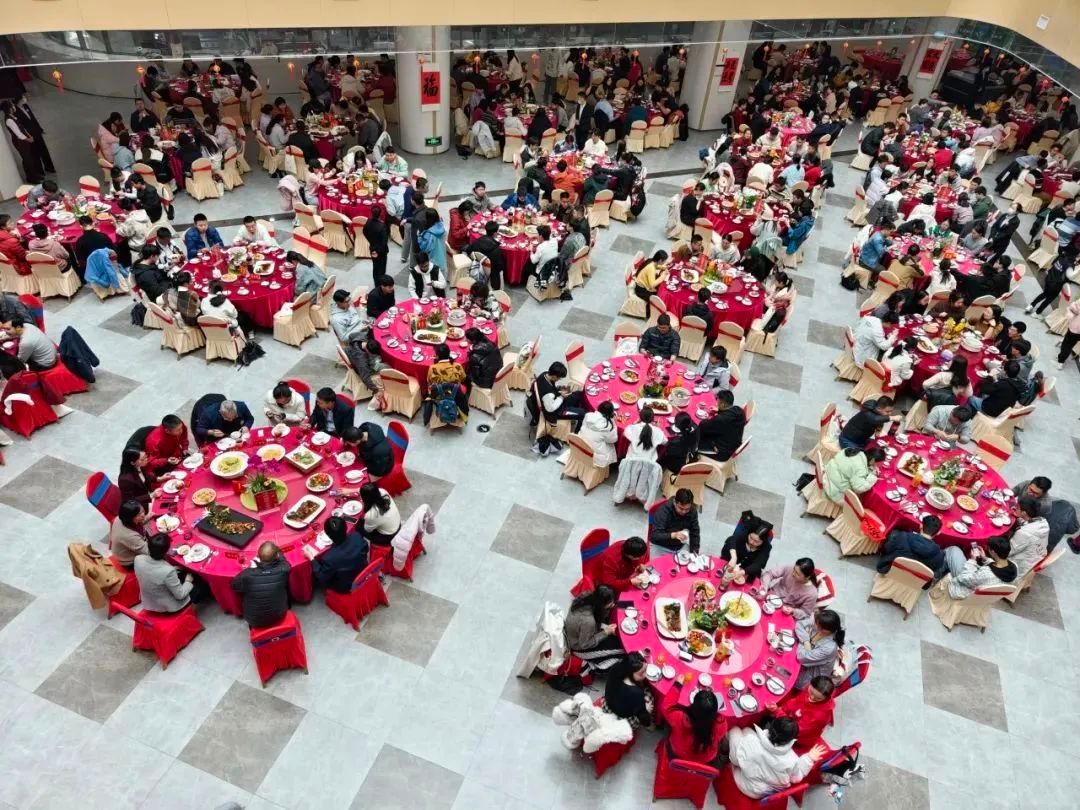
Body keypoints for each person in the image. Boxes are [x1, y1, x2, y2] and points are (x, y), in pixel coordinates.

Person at [725, 718, 827, 799]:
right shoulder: (792, 760)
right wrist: (809, 758)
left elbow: (734, 759)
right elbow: (795, 778)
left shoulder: (751, 741)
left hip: (747, 786)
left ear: (771, 726)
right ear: (792, 740)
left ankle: (723, 753)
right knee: (746, 731)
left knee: (735, 729)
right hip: (761, 790)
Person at [764, 676, 836, 755]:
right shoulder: (809, 688)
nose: (811, 697)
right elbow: (796, 701)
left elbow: (794, 730)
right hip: (792, 719)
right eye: (811, 692)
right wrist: (782, 708)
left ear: (826, 698)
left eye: (818, 698)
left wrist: (778, 712)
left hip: (799, 738)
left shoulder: (820, 716)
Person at [528, 362, 587, 455]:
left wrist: (559, 393)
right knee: (583, 413)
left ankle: (573, 414)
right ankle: (576, 435)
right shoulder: (548, 393)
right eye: (559, 378)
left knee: (579, 394)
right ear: (554, 376)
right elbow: (550, 408)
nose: (559, 379)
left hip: (557, 400)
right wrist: (561, 397)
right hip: (555, 412)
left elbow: (553, 393)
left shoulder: (544, 374)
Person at [659, 686, 727, 765]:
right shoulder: (721, 724)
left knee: (668, 722)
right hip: (706, 759)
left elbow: (666, 707)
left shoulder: (680, 719)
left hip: (679, 753)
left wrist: (677, 686)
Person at [230, 542, 291, 628]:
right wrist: (278, 553)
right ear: (277, 556)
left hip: (254, 621)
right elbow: (283, 560)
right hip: (279, 615)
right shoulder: (284, 569)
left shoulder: (247, 575)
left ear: (258, 556)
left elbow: (234, 586)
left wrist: (251, 569)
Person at [564, 585, 624, 672]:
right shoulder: (588, 621)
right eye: (610, 603)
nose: (613, 604)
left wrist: (604, 628)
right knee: (621, 649)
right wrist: (605, 632)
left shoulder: (586, 596)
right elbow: (584, 644)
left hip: (581, 632)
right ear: (601, 605)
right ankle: (596, 668)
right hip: (579, 647)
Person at [135, 533, 197, 613]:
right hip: (167, 607)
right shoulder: (168, 571)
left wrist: (173, 569)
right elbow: (180, 595)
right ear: (166, 551)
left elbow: (152, 572)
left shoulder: (138, 559)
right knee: (199, 584)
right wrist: (188, 581)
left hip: (149, 602)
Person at [941, 535, 1017, 599]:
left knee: (954, 550)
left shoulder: (986, 573)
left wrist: (972, 560)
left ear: (993, 552)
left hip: (965, 590)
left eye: (988, 548)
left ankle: (938, 571)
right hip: (986, 593)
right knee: (953, 556)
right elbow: (997, 568)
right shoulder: (1014, 567)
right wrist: (985, 558)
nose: (987, 549)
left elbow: (963, 578)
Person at [793, 609, 844, 690]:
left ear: (824, 629)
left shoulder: (829, 648)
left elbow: (801, 657)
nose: (814, 625)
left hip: (809, 677)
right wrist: (806, 641)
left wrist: (803, 642)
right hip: (805, 658)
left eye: (817, 625)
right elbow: (799, 624)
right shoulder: (820, 622)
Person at [604, 653, 654, 728]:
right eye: (641, 674)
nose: (645, 675)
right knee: (650, 698)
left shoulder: (616, 667)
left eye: (645, 670)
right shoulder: (636, 692)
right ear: (629, 673)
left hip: (609, 701)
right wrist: (645, 709)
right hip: (623, 716)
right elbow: (645, 720)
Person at [424, 344, 469, 424]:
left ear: (437, 356)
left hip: (438, 395)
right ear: (449, 353)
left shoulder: (433, 368)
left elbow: (429, 381)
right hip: (456, 394)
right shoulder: (457, 366)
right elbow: (463, 378)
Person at [721, 515, 773, 582]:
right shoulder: (744, 535)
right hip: (731, 566)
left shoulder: (766, 547)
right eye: (751, 538)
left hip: (748, 573)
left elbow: (758, 564)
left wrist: (743, 572)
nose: (751, 542)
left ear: (763, 542)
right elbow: (731, 540)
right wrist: (733, 557)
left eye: (756, 541)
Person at [648, 488, 701, 553]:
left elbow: (695, 532)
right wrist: (674, 535)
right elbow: (655, 535)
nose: (684, 512)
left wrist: (695, 552)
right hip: (659, 545)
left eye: (687, 509)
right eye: (681, 508)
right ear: (674, 502)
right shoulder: (663, 512)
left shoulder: (692, 511)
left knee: (692, 558)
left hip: (678, 546)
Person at [698, 390, 745, 461]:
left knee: (695, 439)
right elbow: (727, 418)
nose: (716, 403)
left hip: (721, 452)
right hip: (733, 444)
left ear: (723, 404)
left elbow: (703, 426)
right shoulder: (739, 410)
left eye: (718, 401)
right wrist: (719, 411)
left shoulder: (720, 419)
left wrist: (708, 418)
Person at [1009, 497, 1050, 578]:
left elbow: (1009, 551)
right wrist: (1019, 517)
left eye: (1017, 508)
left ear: (1024, 513)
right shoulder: (1043, 523)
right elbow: (1028, 525)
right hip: (1034, 559)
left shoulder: (1024, 533)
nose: (1015, 508)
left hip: (1018, 567)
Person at [465, 220, 507, 291]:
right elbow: (500, 266)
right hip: (489, 272)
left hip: (476, 266)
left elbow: (468, 250)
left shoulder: (478, 241)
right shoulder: (495, 249)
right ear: (495, 233)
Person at [577, 401, 619, 468]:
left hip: (580, 445)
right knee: (611, 445)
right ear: (610, 414)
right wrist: (613, 422)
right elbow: (613, 439)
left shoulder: (588, 415)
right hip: (593, 456)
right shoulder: (607, 426)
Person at [110, 500, 149, 569]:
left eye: (143, 511)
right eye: (138, 515)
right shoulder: (129, 536)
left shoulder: (121, 518)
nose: (143, 515)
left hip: (134, 546)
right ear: (130, 518)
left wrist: (149, 516)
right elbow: (149, 551)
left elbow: (138, 522)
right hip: (130, 561)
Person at [633, 250, 669, 317]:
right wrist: (662, 276)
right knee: (658, 296)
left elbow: (656, 266)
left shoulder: (652, 261)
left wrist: (663, 267)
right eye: (664, 261)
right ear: (660, 260)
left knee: (659, 289)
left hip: (641, 285)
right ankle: (651, 314)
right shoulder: (651, 268)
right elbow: (652, 285)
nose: (665, 262)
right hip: (641, 290)